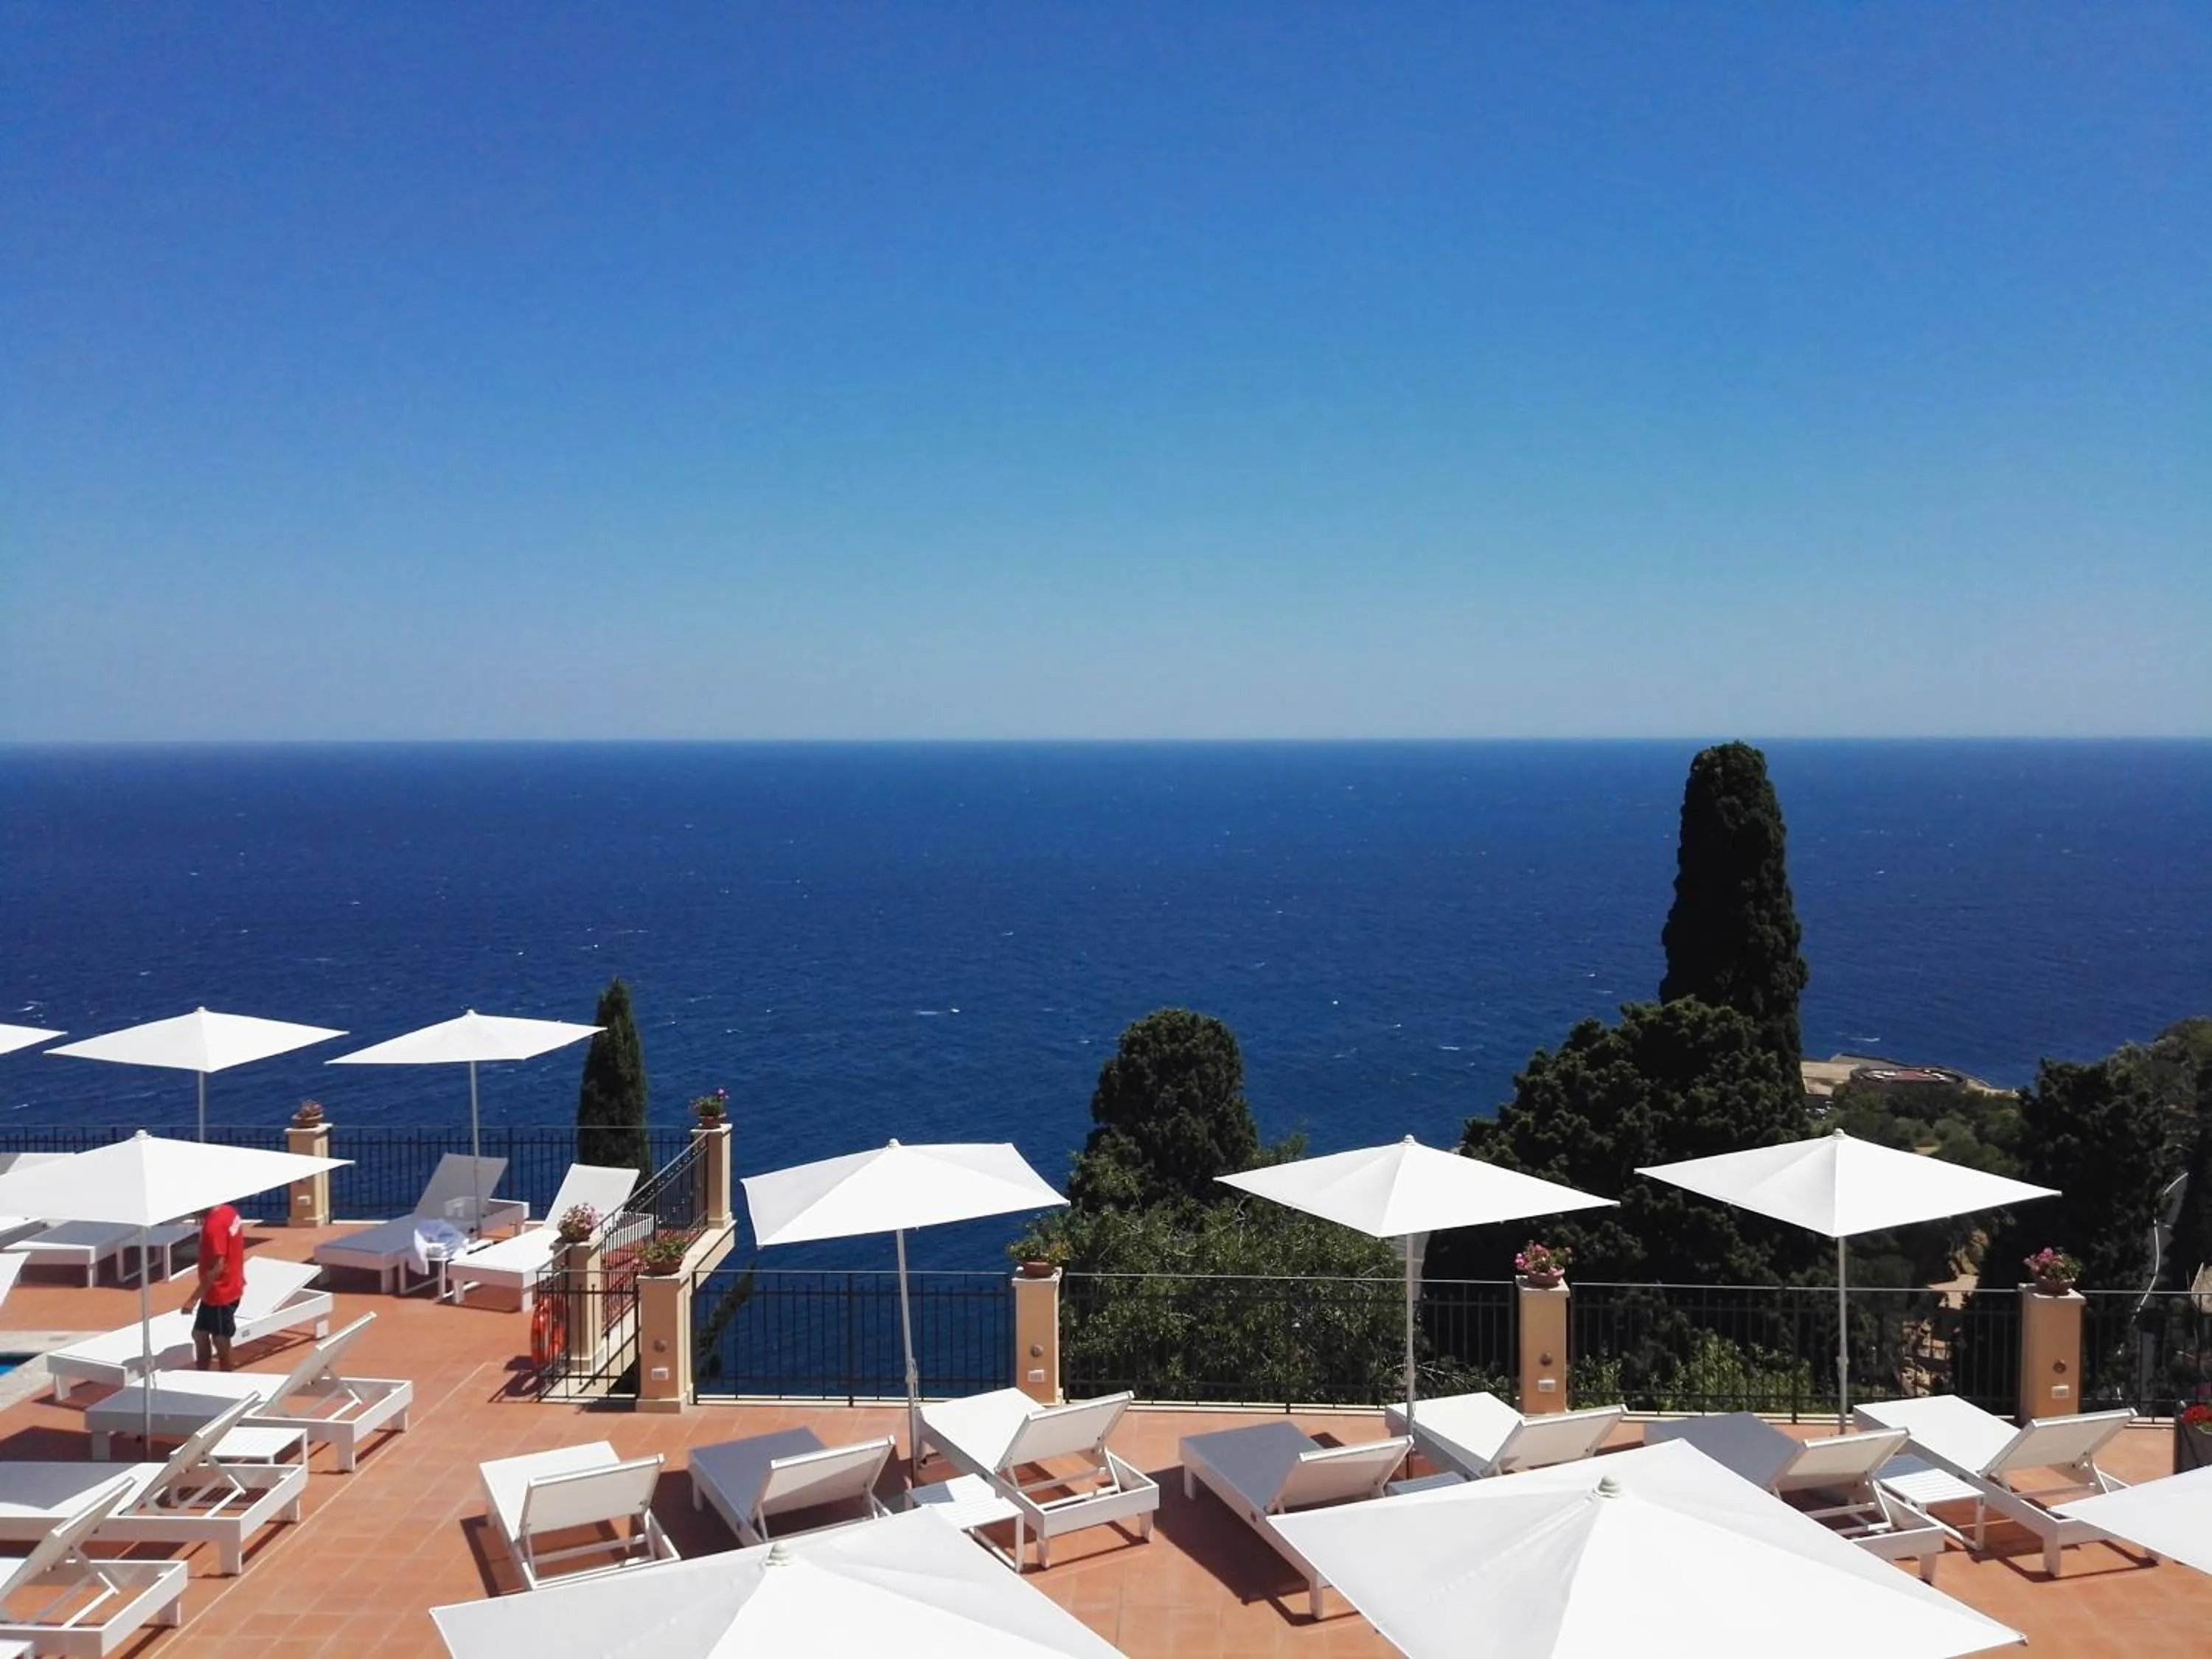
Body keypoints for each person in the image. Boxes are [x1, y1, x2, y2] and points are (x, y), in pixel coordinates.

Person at [183, 1200, 246, 1371]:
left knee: (221, 1340)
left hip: (221, 1294)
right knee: (199, 1334)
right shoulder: (229, 1211)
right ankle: (203, 1375)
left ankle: (226, 1378)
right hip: (225, 1287)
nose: (194, 1215)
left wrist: (193, 1299)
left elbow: (217, 1266)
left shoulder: (213, 1226)